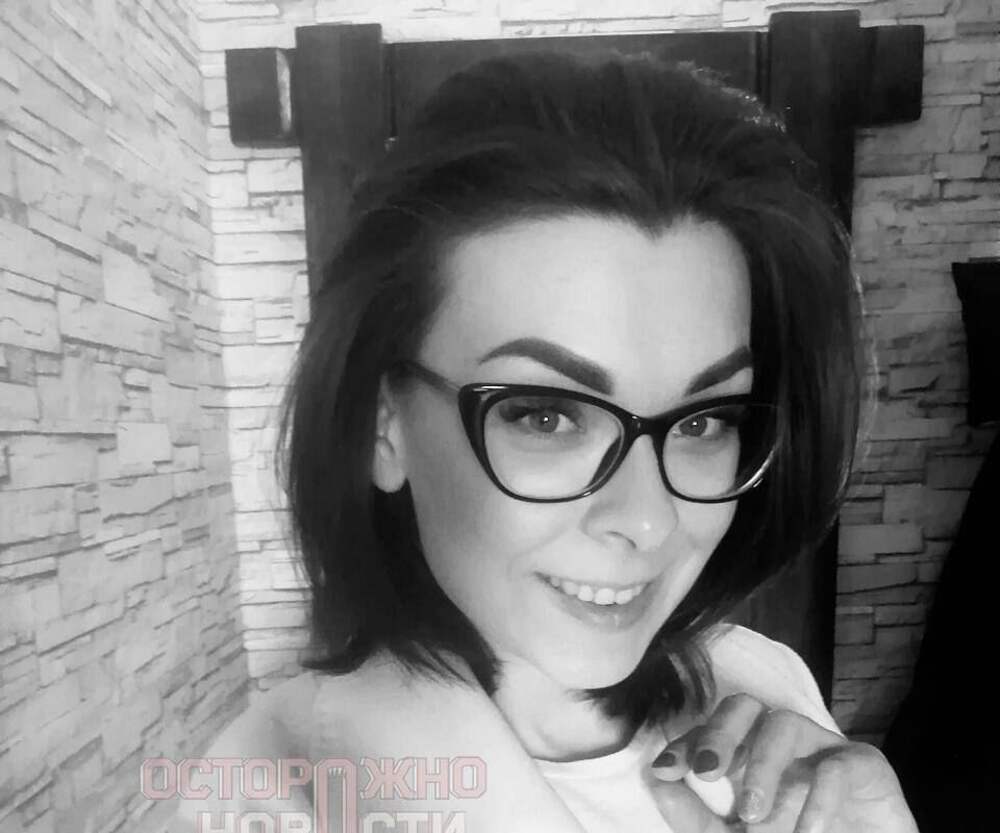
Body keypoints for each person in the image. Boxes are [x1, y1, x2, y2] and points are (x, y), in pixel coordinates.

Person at [170, 51, 917, 832]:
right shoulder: (278, 794)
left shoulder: (767, 692)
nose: (648, 519)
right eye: (547, 416)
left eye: (704, 422)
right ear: (382, 424)